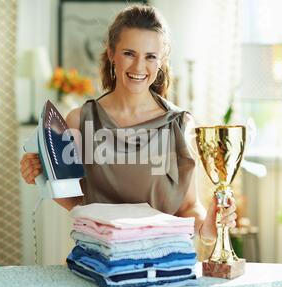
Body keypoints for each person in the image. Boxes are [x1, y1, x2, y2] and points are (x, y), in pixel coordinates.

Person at [20, 4, 236, 261]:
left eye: (150, 56)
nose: (139, 66)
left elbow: (189, 206)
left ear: (162, 60)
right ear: (112, 53)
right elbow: (77, 200)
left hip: (166, 267)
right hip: (98, 265)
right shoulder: (80, 120)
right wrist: (42, 175)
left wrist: (209, 227)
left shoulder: (179, 124)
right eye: (129, 53)